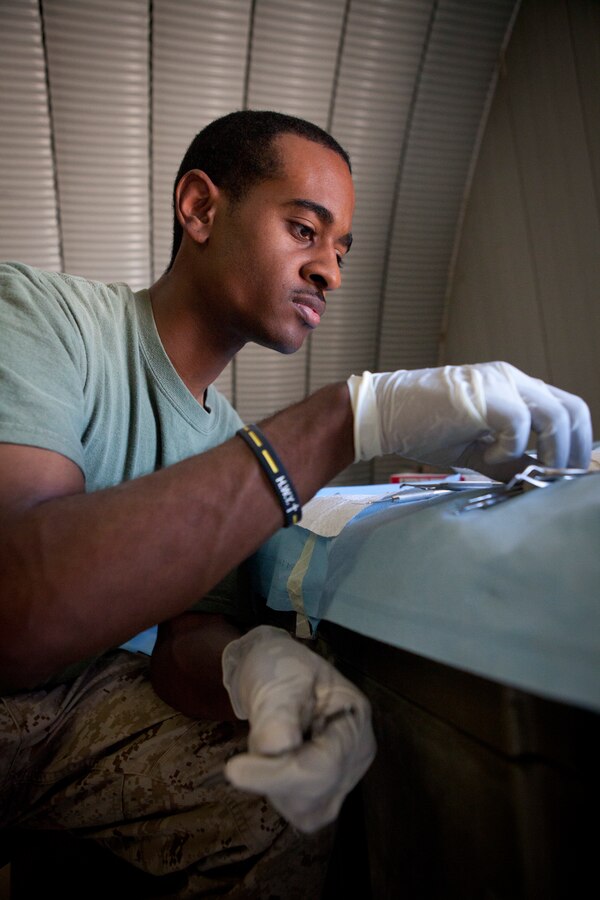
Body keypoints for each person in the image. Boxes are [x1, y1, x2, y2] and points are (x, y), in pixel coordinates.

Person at [0, 110, 592, 897]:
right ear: (201, 209)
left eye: (341, 251)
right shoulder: (44, 317)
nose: (330, 273)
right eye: (305, 230)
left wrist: (250, 668)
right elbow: (16, 610)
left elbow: (184, 640)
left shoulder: (232, 450)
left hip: (76, 717)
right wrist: (346, 417)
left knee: (279, 809)